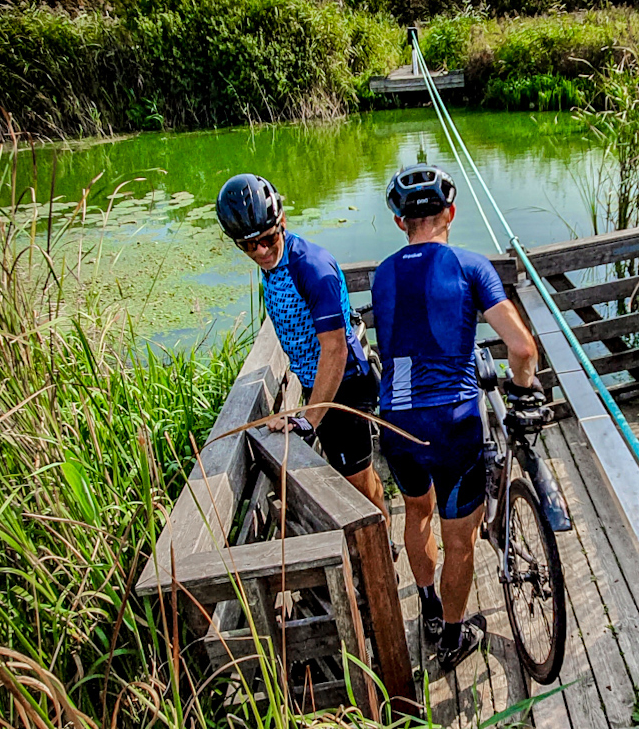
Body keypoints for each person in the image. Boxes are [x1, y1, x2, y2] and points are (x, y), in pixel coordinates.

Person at [371, 164, 541, 671]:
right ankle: (451, 637)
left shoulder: (382, 274)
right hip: (452, 421)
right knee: (459, 538)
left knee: (416, 513)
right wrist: (522, 389)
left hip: (397, 422)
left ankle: (426, 605)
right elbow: (522, 347)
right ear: (451, 213)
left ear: (401, 222)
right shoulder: (471, 266)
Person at [216, 173, 389, 529]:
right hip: (318, 383)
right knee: (350, 478)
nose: (261, 251)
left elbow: (335, 349)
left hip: (344, 384)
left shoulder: (310, 268)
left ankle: (381, 547)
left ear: (282, 221)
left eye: (266, 238)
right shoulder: (275, 265)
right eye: (248, 246)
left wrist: (309, 418)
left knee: (357, 484)